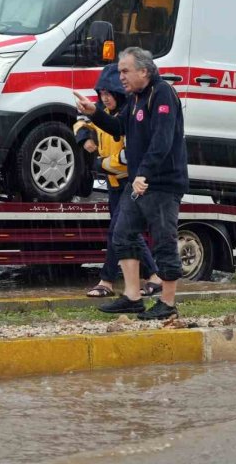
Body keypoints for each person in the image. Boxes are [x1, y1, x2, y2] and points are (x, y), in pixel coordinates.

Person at [74, 46, 188, 320]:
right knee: (123, 234)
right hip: (138, 183)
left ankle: (168, 303)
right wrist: (94, 113)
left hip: (161, 184)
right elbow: (118, 128)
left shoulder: (162, 93)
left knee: (163, 241)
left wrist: (143, 173)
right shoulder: (134, 98)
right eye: (120, 71)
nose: (120, 76)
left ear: (144, 71)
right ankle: (133, 297)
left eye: (125, 71)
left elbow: (163, 140)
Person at [73, 63, 163, 298]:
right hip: (113, 186)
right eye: (101, 94)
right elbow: (81, 121)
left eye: (108, 94)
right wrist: (85, 137)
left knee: (117, 233)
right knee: (126, 233)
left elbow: (126, 159)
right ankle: (154, 276)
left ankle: (107, 281)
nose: (104, 98)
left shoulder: (129, 117)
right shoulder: (103, 112)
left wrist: (99, 163)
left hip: (127, 184)